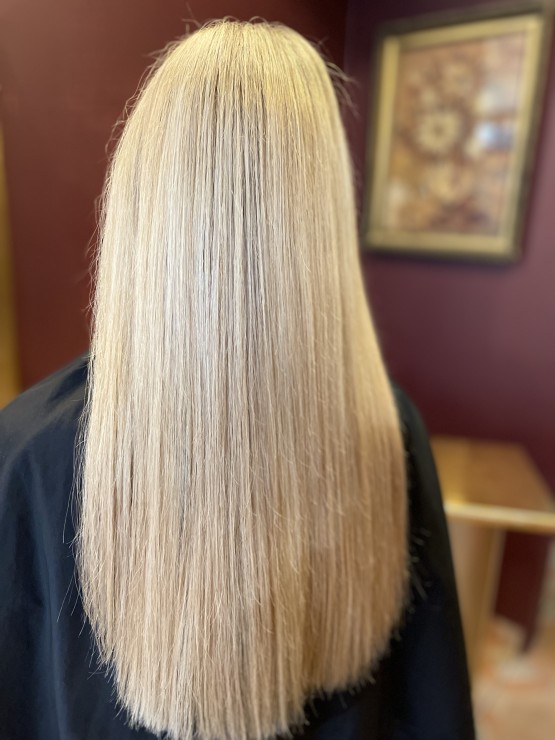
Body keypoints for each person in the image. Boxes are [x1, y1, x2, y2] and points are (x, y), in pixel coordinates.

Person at [0, 20, 475, 740]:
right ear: (323, 215)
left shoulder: (30, 450)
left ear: (143, 202)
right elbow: (430, 704)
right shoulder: (388, 426)